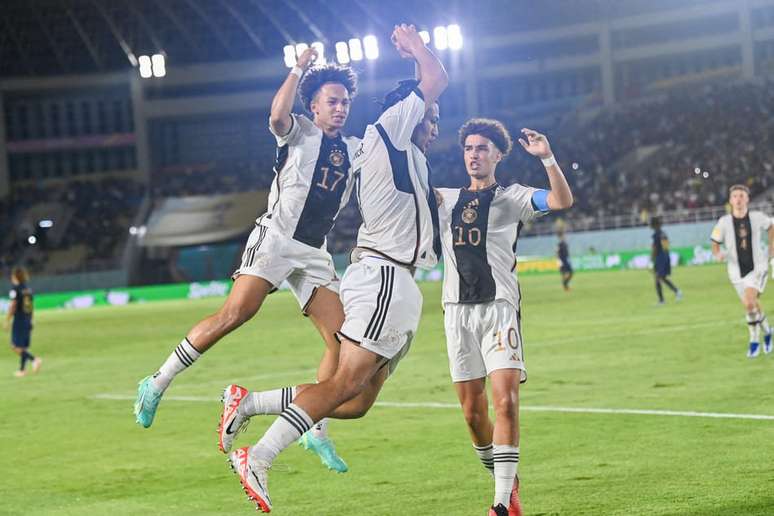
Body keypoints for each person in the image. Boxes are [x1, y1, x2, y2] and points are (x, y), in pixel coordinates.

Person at [226, 23, 448, 513]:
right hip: (384, 274)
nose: (435, 122)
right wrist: (415, 49)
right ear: (408, 113)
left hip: (403, 284)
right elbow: (435, 78)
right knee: (345, 383)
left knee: (358, 400)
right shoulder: (390, 127)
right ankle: (257, 456)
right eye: (430, 116)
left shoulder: (410, 155)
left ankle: (251, 403)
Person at [134, 49, 361, 472]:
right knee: (236, 313)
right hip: (275, 238)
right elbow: (277, 117)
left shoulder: (356, 149)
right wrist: (297, 70)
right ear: (314, 105)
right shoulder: (300, 131)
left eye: (345, 102)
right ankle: (157, 382)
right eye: (332, 101)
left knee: (342, 342)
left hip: (314, 250)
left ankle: (317, 429)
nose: (340, 108)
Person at [436, 119, 573, 516]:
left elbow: (561, 201)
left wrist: (547, 158)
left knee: (506, 403)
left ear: (497, 154)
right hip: (456, 313)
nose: (474, 154)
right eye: (469, 148)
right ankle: (506, 480)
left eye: (482, 148)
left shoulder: (513, 197)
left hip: (499, 310)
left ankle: (500, 503)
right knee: (472, 413)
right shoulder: (443, 199)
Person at [711, 185, 774, 357]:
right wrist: (717, 254)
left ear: (747, 199)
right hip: (735, 271)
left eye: (741, 196)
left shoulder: (757, 217)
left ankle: (754, 340)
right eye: (735, 196)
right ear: (730, 201)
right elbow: (715, 242)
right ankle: (768, 331)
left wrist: (771, 248)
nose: (738, 199)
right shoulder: (724, 222)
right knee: (752, 305)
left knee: (749, 303)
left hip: (757, 267)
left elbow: (771, 227)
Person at [4, 266, 41, 377]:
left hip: (19, 319)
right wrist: (32, 320)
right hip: (28, 319)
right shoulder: (28, 289)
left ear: (15, 276)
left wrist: (7, 319)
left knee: (15, 346)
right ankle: (22, 370)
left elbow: (13, 305)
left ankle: (34, 359)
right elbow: (32, 306)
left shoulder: (15, 289)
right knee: (23, 347)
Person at [650, 217, 682, 304]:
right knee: (662, 278)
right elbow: (666, 246)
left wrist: (652, 258)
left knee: (657, 278)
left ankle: (662, 300)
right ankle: (677, 292)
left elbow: (655, 248)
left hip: (660, 258)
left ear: (654, 224)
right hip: (666, 256)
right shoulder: (663, 233)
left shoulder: (656, 235)